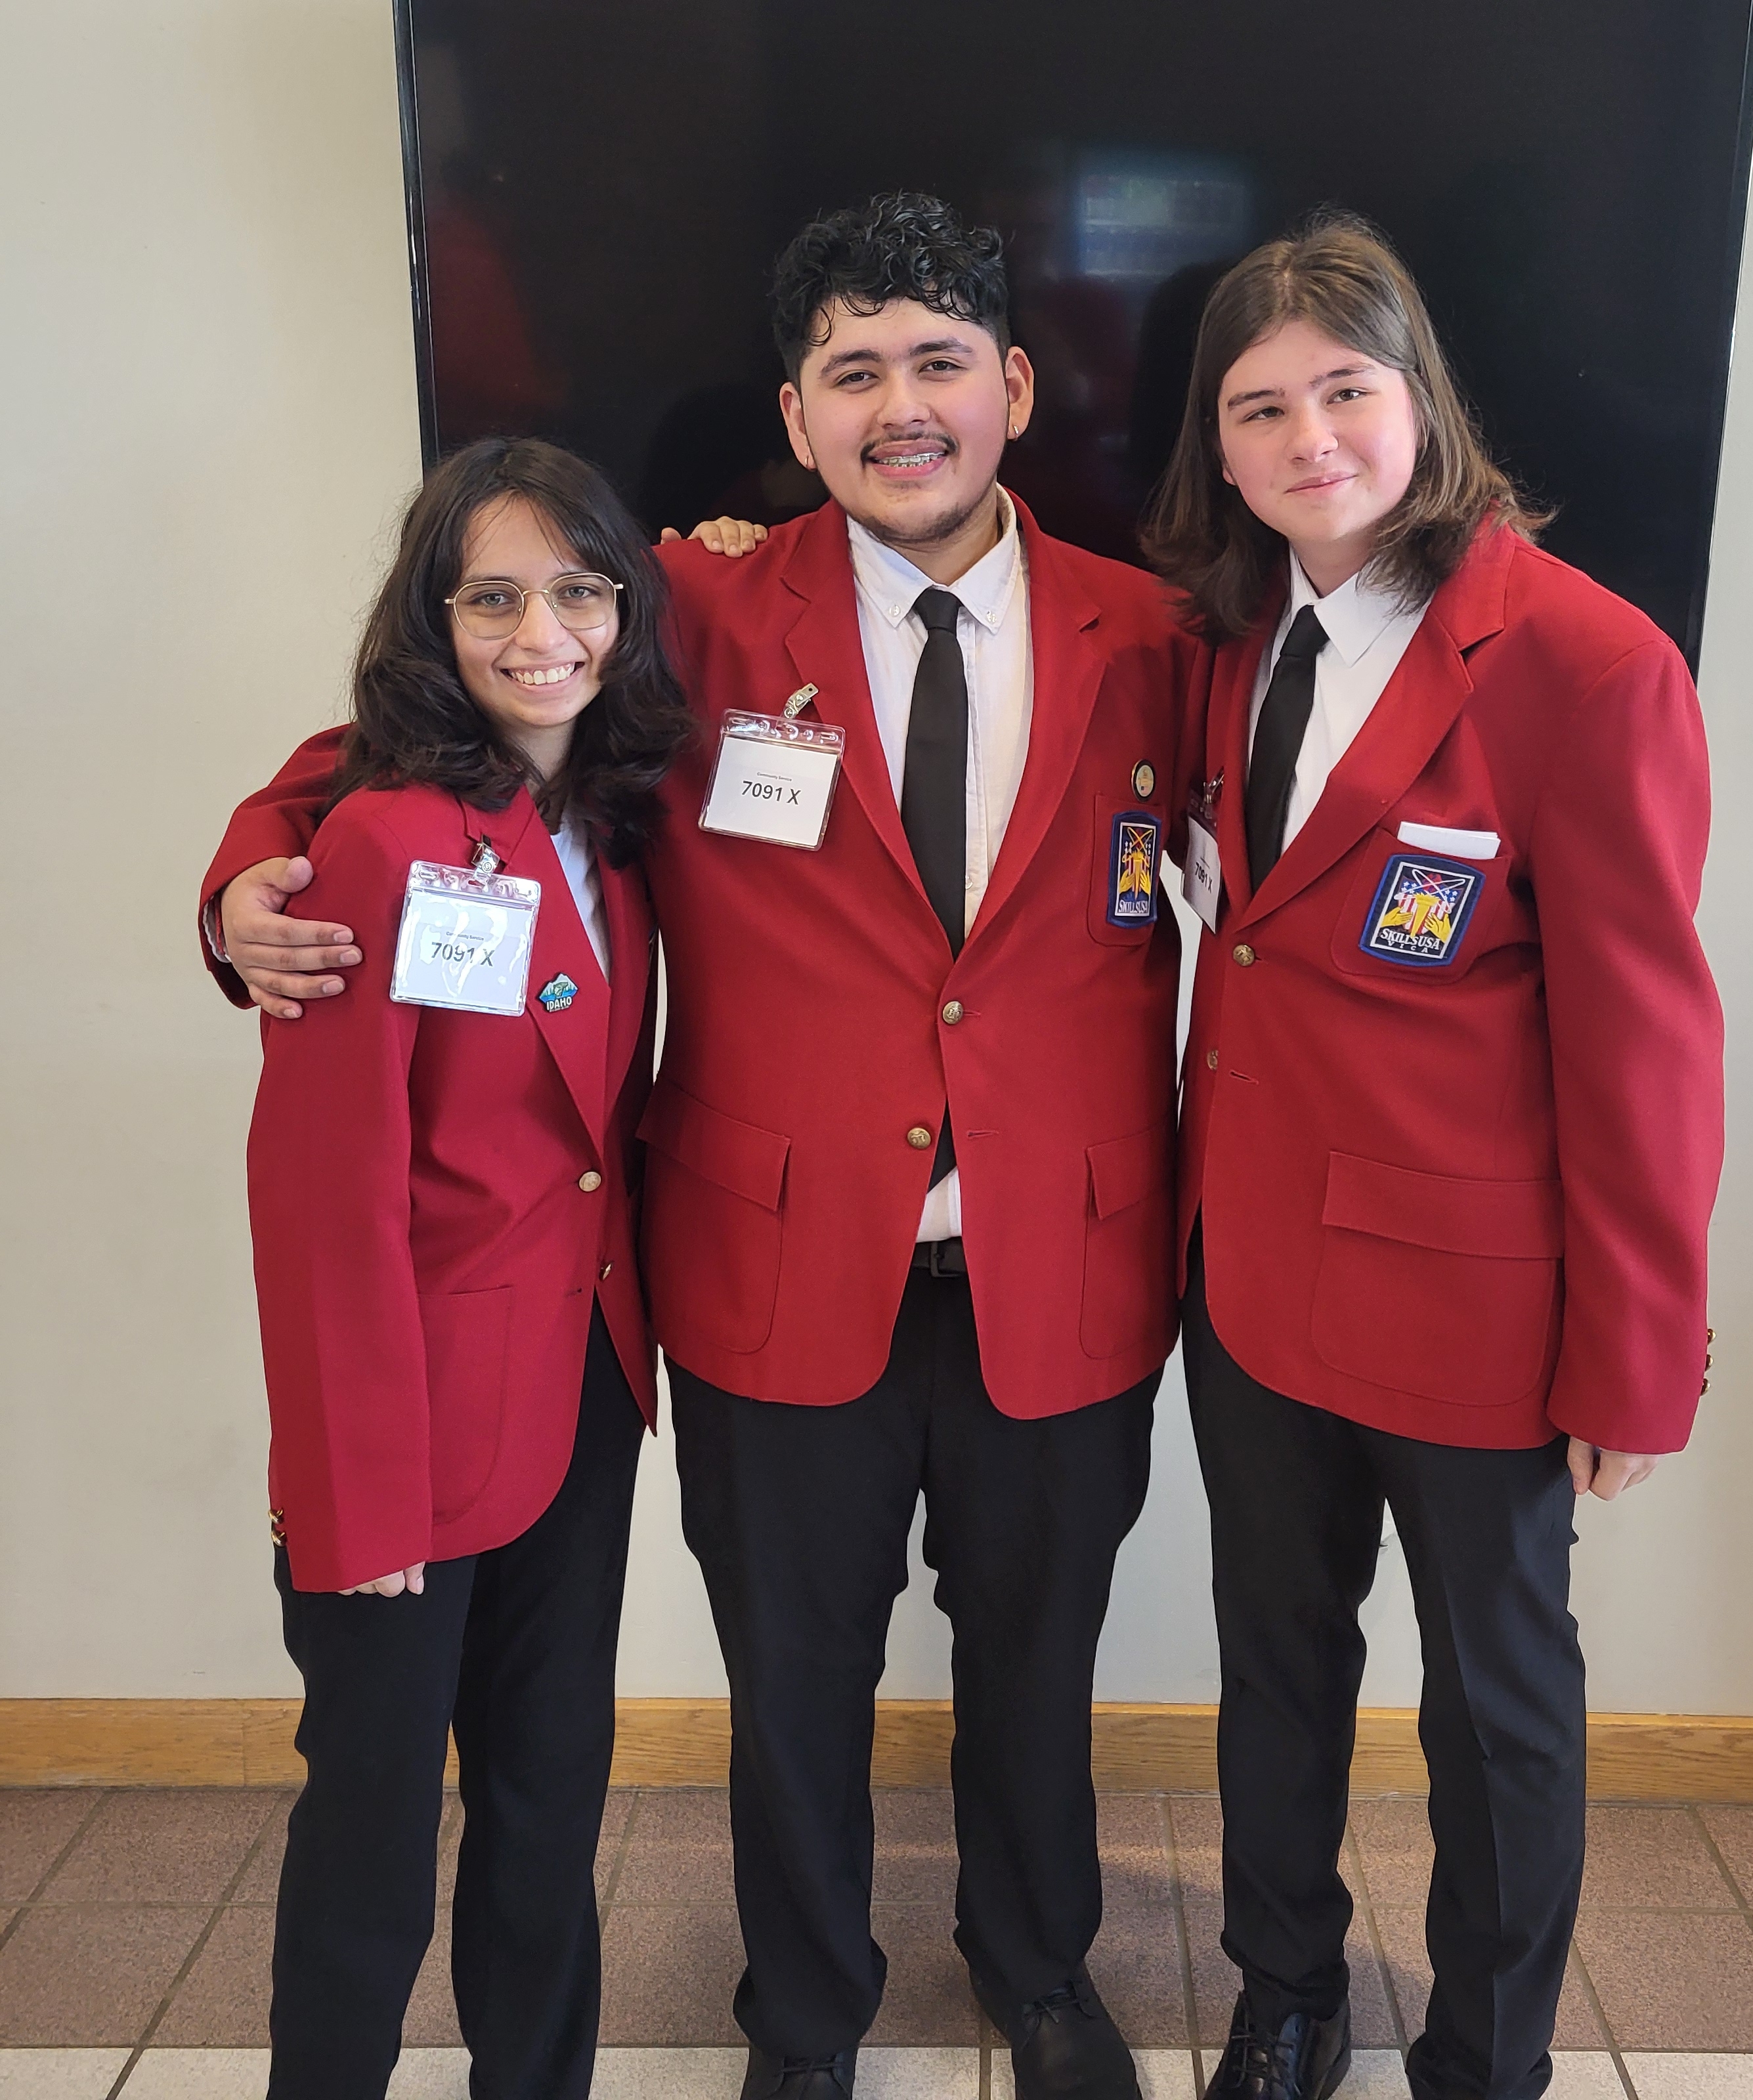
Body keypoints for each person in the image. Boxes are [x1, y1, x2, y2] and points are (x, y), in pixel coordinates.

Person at [201, 194, 1208, 2100]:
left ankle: (1041, 1972)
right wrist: (246, 867)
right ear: (796, 413)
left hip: (1060, 1261)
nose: (901, 407)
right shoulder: (695, 602)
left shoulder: (1155, 630)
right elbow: (434, 716)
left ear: (1013, 386)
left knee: (1040, 1662)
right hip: (770, 1259)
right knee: (792, 1682)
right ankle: (805, 2015)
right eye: (854, 372)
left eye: (937, 363)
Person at [1141, 211, 1724, 2100]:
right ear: (1220, 447)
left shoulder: (1586, 661)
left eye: (1345, 391)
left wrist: (1637, 1352)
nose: (1309, 439)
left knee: (1494, 1707)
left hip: (1476, 1308)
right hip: (1253, 1282)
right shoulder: (1227, 639)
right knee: (1276, 1665)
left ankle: (1488, 2052)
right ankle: (1286, 1995)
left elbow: (1646, 1043)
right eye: (1259, 408)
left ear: (1422, 402)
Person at [236, 437, 691, 2099]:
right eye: (491, 598)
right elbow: (321, 1196)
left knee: (549, 1804)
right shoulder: (375, 838)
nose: (542, 633)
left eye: (578, 591)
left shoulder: (616, 821)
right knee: (371, 1831)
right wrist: (355, 1497)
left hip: (579, 1391)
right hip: (408, 1424)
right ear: (432, 619)